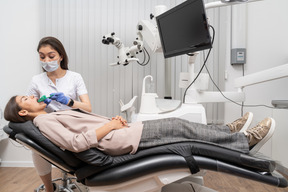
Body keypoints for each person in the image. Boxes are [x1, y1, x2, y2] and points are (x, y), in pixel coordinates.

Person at [5, 95, 275, 157]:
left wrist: (112, 122)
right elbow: (75, 143)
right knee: (182, 128)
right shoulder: (43, 120)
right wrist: (110, 126)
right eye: (25, 98)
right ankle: (243, 141)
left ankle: (229, 130)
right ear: (25, 111)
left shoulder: (50, 113)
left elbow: (84, 124)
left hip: (120, 133)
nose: (30, 95)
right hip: (119, 141)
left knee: (181, 126)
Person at [25, 36, 92, 192]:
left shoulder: (75, 77)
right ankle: (50, 189)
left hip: (72, 124)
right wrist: (40, 105)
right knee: (36, 148)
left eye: (51, 56)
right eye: (42, 57)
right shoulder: (36, 80)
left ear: (61, 56)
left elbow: (88, 107)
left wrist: (69, 102)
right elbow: (27, 108)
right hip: (49, 127)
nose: (46, 60)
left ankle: (86, 183)